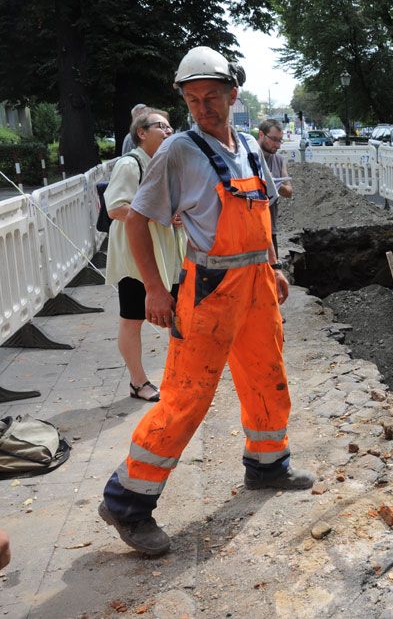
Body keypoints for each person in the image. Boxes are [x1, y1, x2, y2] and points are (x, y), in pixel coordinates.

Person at [99, 46, 314, 557]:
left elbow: (264, 209)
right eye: (193, 100)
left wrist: (275, 264)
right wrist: (154, 289)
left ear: (232, 95)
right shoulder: (177, 152)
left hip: (257, 282)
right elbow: (135, 220)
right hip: (210, 287)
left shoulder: (249, 145)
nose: (203, 108)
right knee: (186, 397)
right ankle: (126, 502)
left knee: (266, 373)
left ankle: (268, 465)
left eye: (212, 97)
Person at [104, 109, 186, 401]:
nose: (168, 132)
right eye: (161, 127)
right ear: (141, 132)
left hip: (169, 253)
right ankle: (138, 382)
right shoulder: (130, 164)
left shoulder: (166, 163)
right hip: (137, 258)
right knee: (132, 318)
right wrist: (161, 215)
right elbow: (115, 208)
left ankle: (180, 376)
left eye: (169, 127)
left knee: (179, 313)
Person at [257, 119, 293, 255]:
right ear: (261, 135)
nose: (278, 145)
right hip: (251, 230)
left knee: (273, 273)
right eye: (274, 139)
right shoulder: (248, 157)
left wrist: (274, 184)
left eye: (280, 140)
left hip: (271, 230)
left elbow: (289, 192)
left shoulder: (279, 160)